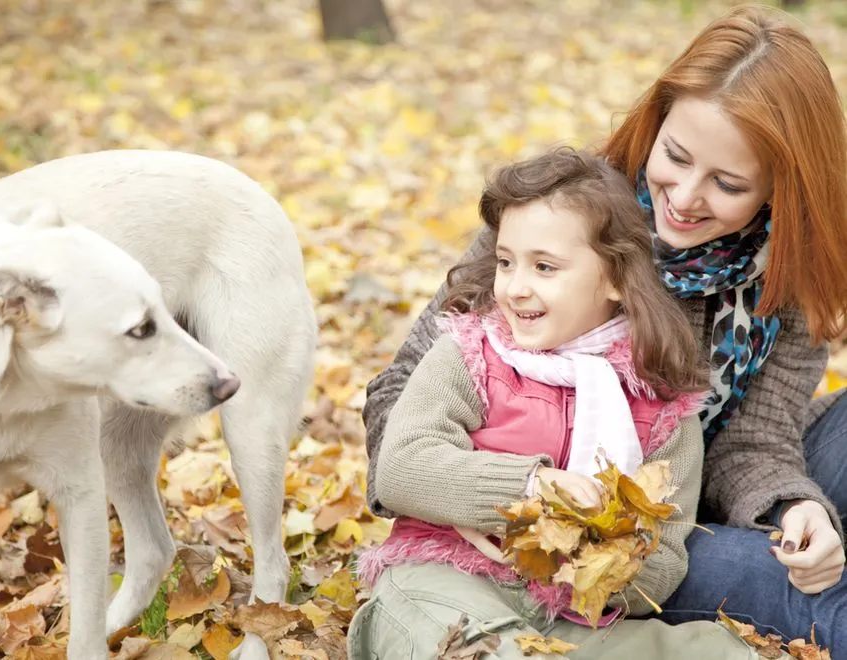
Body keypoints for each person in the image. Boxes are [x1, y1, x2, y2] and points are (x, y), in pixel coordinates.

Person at [362, 3, 847, 656]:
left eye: (727, 183)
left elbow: (754, 444)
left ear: (777, 189)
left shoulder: (787, 275)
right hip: (603, 523)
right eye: (674, 156)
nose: (684, 195)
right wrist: (484, 500)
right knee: (783, 584)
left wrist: (794, 509)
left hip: (681, 500)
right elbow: (405, 392)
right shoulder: (557, 223)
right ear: (654, 123)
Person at [348, 147, 757, 659]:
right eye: (505, 262)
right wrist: (534, 488)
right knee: (467, 644)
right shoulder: (472, 353)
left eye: (544, 267)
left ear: (614, 278)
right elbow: (402, 468)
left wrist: (594, 554)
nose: (515, 288)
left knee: (712, 651)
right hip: (447, 579)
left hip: (575, 613)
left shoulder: (661, 404)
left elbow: (667, 554)